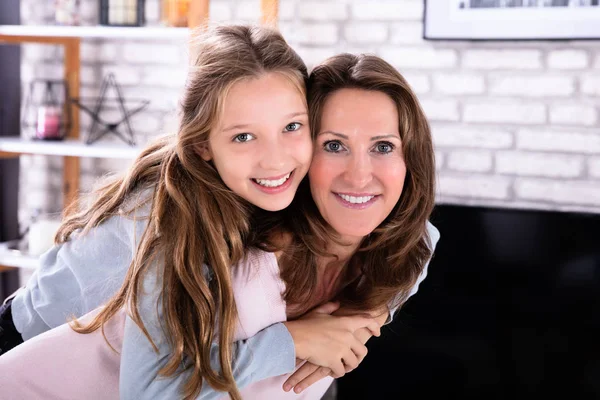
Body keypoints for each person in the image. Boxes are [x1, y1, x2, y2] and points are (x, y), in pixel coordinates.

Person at [0, 25, 381, 400]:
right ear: (202, 145)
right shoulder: (172, 217)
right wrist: (295, 340)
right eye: (243, 137)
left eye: (292, 126)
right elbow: (149, 391)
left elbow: (422, 237)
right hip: (28, 344)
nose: (276, 158)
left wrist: (371, 316)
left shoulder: (274, 185)